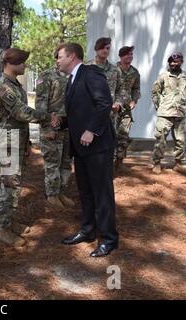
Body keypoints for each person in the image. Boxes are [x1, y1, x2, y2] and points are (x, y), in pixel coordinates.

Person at [55, 43, 118, 257]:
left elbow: (104, 103)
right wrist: (62, 122)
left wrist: (91, 130)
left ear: (72, 56)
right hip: (81, 148)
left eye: (60, 56)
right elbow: (81, 111)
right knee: (86, 192)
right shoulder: (72, 79)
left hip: (98, 147)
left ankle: (109, 239)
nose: (57, 60)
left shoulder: (90, 73)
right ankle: (88, 231)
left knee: (102, 194)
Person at [0, 48, 50, 247]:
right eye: (23, 62)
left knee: (14, 184)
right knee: (9, 185)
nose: (25, 65)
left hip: (16, 141)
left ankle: (9, 221)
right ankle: (2, 229)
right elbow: (20, 113)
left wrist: (27, 144)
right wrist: (47, 117)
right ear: (12, 63)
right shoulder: (3, 87)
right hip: (7, 143)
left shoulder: (15, 85)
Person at [35, 50, 73, 210]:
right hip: (52, 127)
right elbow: (40, 103)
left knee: (65, 163)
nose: (59, 60)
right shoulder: (47, 76)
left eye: (62, 57)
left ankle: (60, 192)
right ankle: (51, 195)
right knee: (52, 163)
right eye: (58, 57)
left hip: (68, 126)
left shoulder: (72, 76)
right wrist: (46, 126)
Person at [151, 51, 186, 175]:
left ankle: (178, 164)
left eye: (176, 61)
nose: (173, 63)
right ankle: (157, 163)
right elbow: (155, 93)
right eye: (171, 61)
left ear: (181, 62)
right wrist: (160, 107)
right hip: (165, 114)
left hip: (180, 113)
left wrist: (181, 104)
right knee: (160, 139)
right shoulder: (163, 76)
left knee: (181, 140)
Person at [114, 46, 141, 170]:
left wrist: (134, 100)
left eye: (131, 54)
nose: (129, 56)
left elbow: (136, 88)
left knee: (123, 135)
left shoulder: (134, 72)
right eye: (127, 54)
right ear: (121, 56)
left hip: (126, 109)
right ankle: (108, 162)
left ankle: (119, 162)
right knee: (111, 134)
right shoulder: (112, 70)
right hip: (112, 109)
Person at [86, 37, 122, 127]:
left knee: (110, 140)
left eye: (108, 48)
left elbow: (121, 90)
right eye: (102, 48)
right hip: (91, 114)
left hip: (110, 115)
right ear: (96, 49)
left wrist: (118, 104)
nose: (105, 50)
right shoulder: (86, 68)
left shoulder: (115, 70)